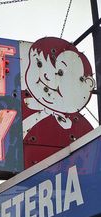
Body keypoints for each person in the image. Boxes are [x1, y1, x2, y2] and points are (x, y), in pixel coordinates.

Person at [23, 37, 95, 169]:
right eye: (39, 64)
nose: (47, 76)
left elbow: (92, 164)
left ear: (87, 84)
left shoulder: (81, 129)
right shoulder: (17, 103)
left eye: (60, 73)